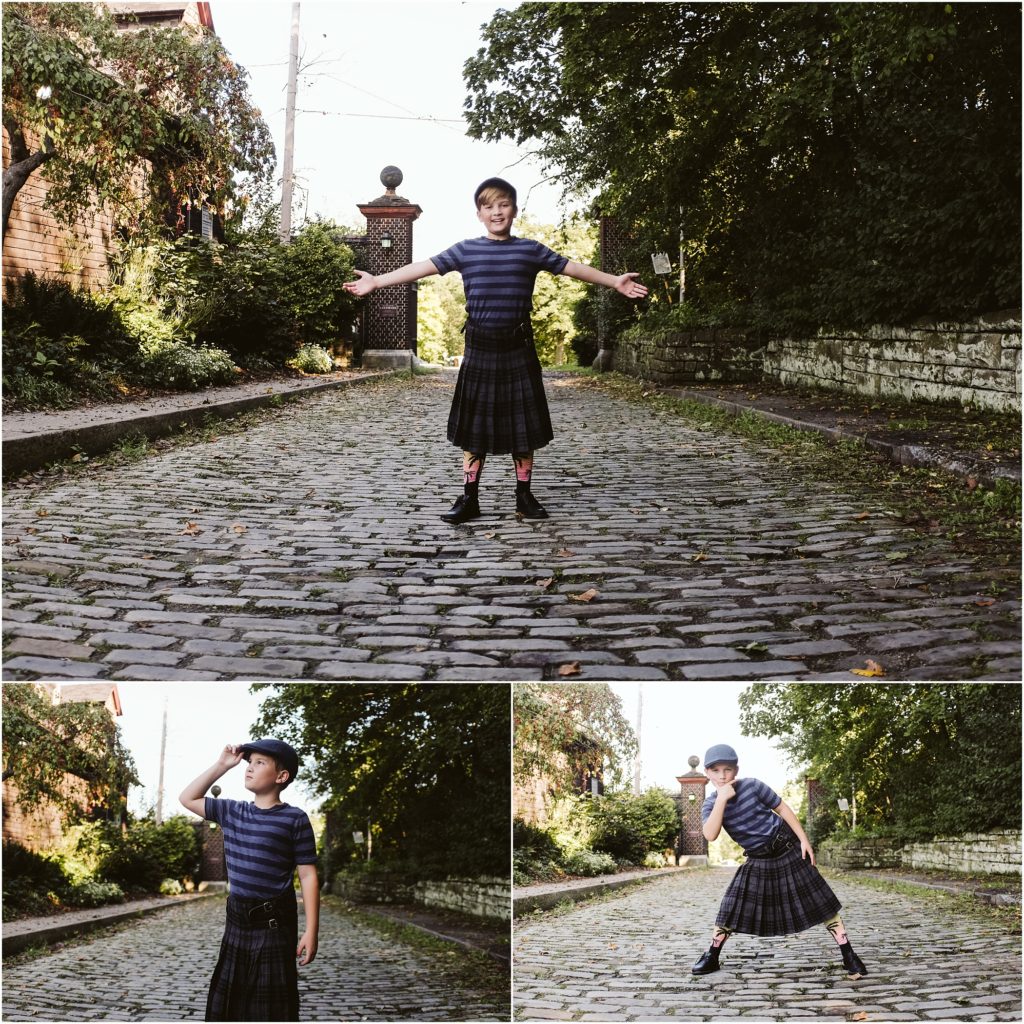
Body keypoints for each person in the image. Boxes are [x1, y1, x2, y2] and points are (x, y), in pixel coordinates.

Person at [343, 176, 648, 523]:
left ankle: (524, 496)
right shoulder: (466, 250)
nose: (497, 212)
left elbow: (572, 269)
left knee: (523, 428)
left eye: (503, 204)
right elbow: (422, 267)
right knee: (475, 430)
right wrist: (377, 281)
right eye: (489, 206)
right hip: (480, 349)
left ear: (514, 210)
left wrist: (614, 281)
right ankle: (470, 498)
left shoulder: (530, 250)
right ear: (479, 213)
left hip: (519, 348)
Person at [693, 743, 869, 980]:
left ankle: (849, 954)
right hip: (757, 858)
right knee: (730, 907)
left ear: (736, 770)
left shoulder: (752, 786)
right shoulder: (710, 804)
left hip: (787, 847)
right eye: (716, 770)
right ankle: (712, 956)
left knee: (821, 902)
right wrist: (722, 799)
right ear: (707, 773)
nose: (722, 775)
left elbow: (782, 808)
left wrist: (804, 840)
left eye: (728, 769)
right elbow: (710, 834)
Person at [179, 739, 319, 1021]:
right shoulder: (232, 811)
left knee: (269, 1012)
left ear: (281, 777)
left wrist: (311, 931)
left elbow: (308, 875)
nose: (249, 768)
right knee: (228, 1007)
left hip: (274, 924)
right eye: (249, 761)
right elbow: (187, 798)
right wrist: (221, 766)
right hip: (237, 922)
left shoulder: (295, 819)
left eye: (260, 763)